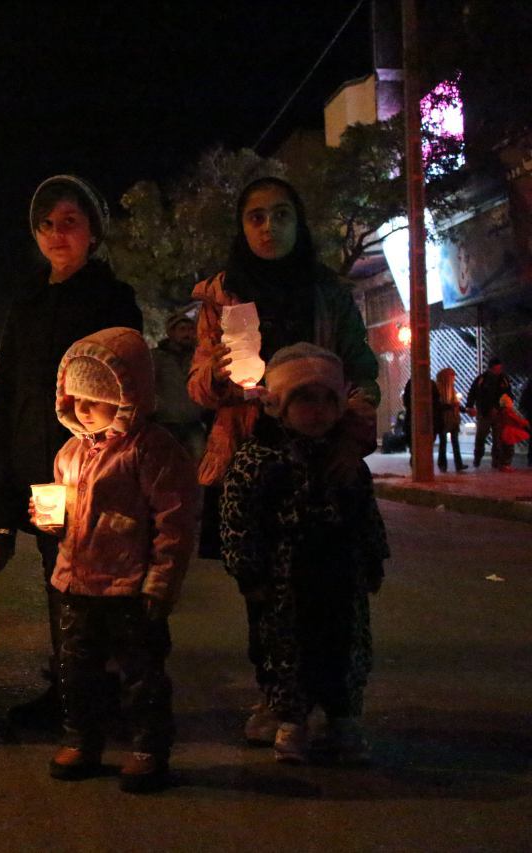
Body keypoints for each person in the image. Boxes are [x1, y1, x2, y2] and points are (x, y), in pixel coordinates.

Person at [187, 176, 380, 746]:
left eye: (281, 214)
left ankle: (339, 705)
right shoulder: (222, 296)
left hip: (324, 453)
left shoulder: (328, 293)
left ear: (299, 222)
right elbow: (199, 386)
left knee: (334, 587)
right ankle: (278, 698)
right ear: (241, 227)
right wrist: (216, 375)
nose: (269, 227)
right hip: (253, 456)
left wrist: (351, 441)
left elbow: (362, 371)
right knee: (263, 590)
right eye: (256, 216)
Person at [0, 174, 143, 728]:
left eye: (70, 222)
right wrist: (3, 459)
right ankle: (69, 687)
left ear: (92, 232)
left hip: (94, 461)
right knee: (56, 572)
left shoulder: (112, 298)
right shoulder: (27, 301)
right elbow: (8, 385)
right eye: (47, 224)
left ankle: (101, 689)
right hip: (38, 462)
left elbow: (128, 384)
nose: (57, 233)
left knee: (98, 577)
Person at [34, 328, 197, 792]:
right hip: (77, 582)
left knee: (140, 672)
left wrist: (161, 580)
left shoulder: (150, 450)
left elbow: (174, 519)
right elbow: (68, 514)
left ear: (127, 396)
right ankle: (82, 738)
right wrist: (52, 520)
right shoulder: (71, 452)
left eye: (97, 399)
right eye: (77, 398)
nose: (84, 408)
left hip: (129, 584)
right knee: (76, 669)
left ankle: (148, 746)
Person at [220, 344, 389, 765]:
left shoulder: (345, 461)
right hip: (285, 579)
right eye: (304, 399)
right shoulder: (259, 458)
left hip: (341, 574)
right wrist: (248, 572)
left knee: (344, 646)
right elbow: (239, 518)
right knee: (286, 647)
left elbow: (365, 514)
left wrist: (372, 560)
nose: (317, 411)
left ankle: (342, 718)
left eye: (327, 400)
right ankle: (291, 720)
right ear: (279, 405)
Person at [151, 312, 206, 464]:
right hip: (166, 423)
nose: (187, 334)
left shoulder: (198, 357)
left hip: (193, 422)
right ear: (171, 332)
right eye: (182, 329)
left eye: (190, 329)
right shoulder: (157, 358)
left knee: (199, 465)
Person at [464, 358, 512, 469]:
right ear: (491, 368)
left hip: (499, 413)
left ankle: (496, 460)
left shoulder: (503, 379)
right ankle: (478, 457)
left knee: (498, 438)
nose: (499, 370)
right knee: (481, 437)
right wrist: (470, 406)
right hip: (484, 413)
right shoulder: (482, 379)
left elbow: (508, 393)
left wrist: (503, 406)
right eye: (497, 368)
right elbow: (473, 393)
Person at [400, 377, 441, 468]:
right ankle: (422, 464)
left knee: (414, 444)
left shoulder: (412, 383)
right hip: (428, 419)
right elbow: (437, 402)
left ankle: (417, 464)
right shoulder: (430, 384)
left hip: (414, 419)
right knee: (425, 444)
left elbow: (406, 401)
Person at [434, 367, 466, 472]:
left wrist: (465, 410)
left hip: (453, 419)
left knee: (455, 441)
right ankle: (442, 464)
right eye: (452, 376)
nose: (453, 378)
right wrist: (450, 406)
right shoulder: (438, 389)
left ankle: (458, 464)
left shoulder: (451, 389)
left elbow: (455, 404)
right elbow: (437, 405)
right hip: (443, 419)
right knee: (443, 442)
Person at [494, 393, 529, 472]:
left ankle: (502, 464)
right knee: (509, 449)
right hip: (509, 432)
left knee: (504, 448)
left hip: (502, 431)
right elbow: (516, 419)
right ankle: (506, 465)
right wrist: (525, 423)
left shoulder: (500, 412)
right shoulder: (509, 411)